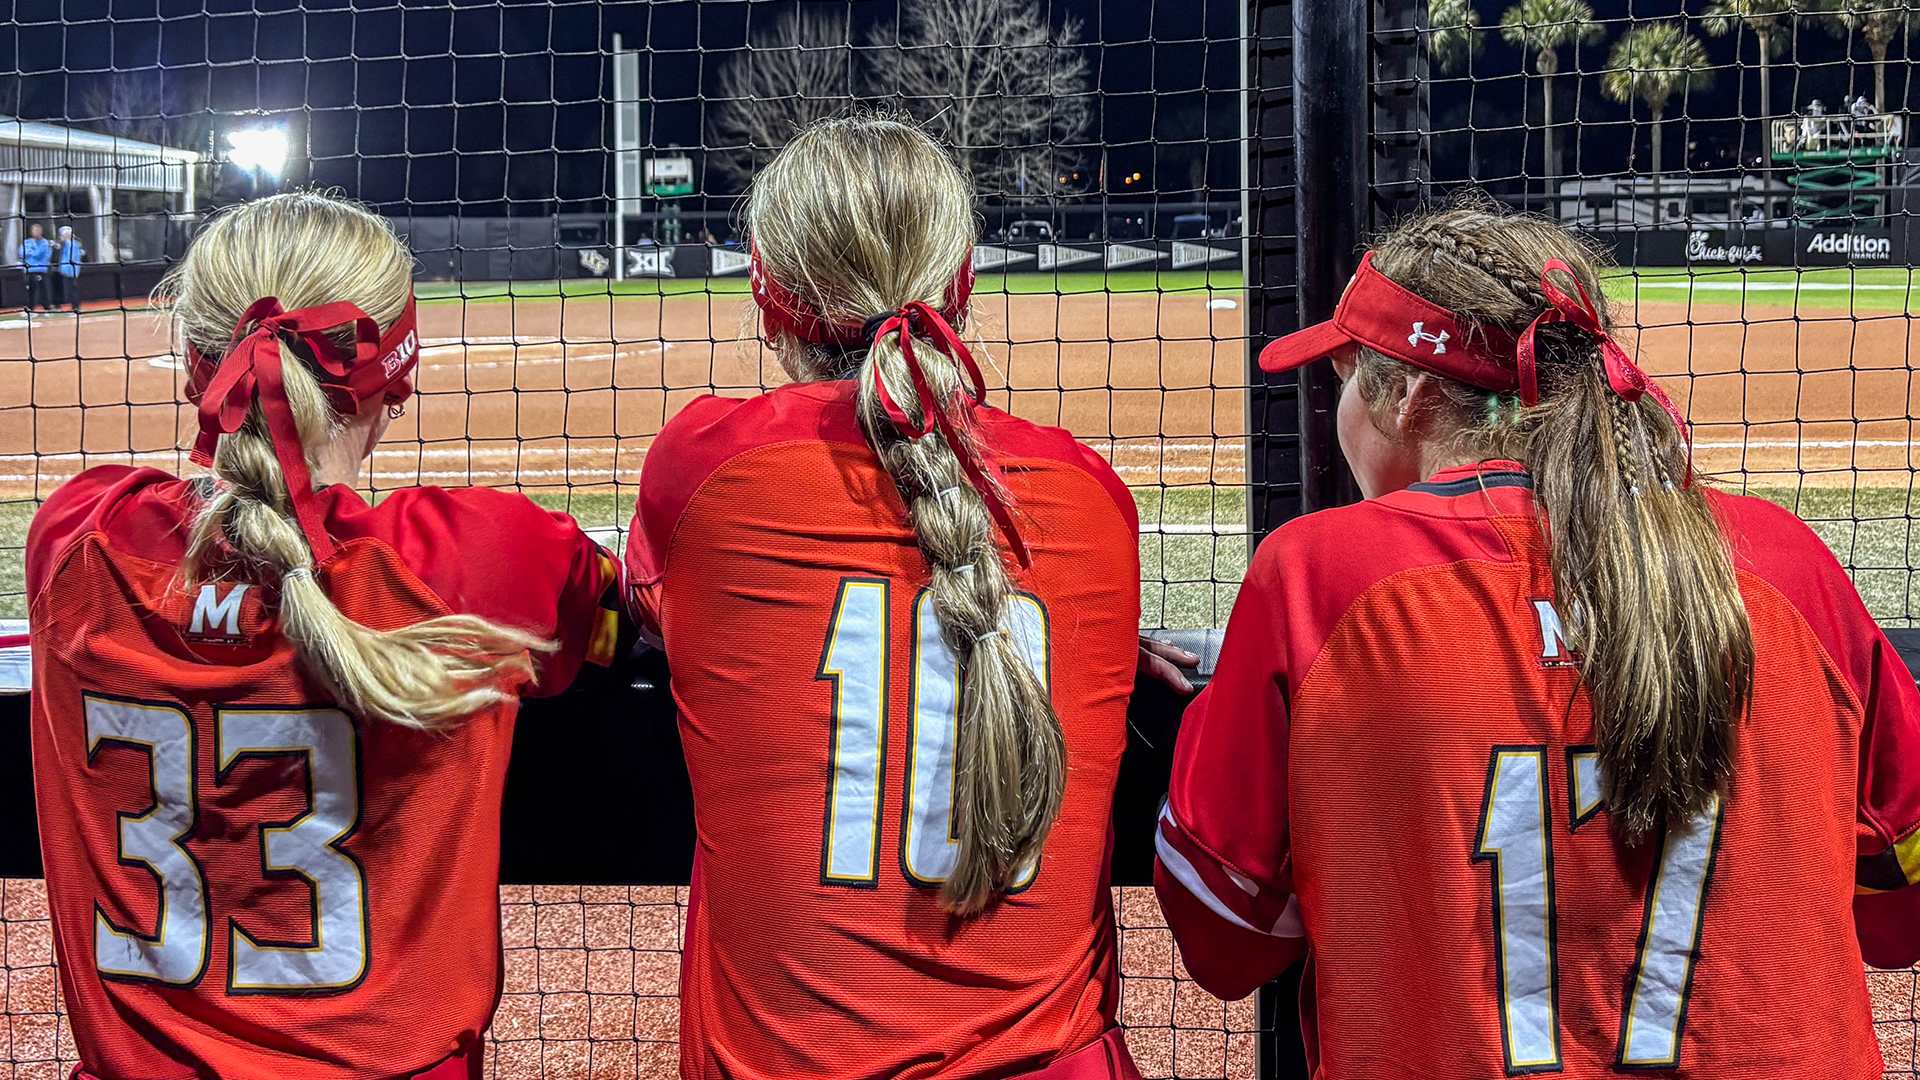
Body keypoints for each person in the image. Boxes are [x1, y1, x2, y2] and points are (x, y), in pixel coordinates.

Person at [1154, 202, 1920, 1077]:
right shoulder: (1785, 567)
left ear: (1406, 394)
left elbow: (1224, 943)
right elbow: (1902, 912)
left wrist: (1225, 708)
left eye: (1346, 378)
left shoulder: (1320, 578)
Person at [26, 191, 627, 1079]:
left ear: (198, 374)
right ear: (398, 377)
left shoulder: (77, 536)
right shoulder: (485, 559)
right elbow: (624, 613)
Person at [627, 114, 1146, 1080]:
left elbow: (651, 603)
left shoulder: (703, 469)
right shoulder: (1091, 497)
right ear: (963, 292)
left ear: (767, 302)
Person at [19, 222, 50, 313]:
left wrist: (30, 253)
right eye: (34, 230)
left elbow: (39, 255)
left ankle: (46, 308)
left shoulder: (44, 242)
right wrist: (32, 252)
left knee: (43, 289)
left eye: (37, 230)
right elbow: (21, 253)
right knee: (30, 290)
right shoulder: (27, 242)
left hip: (40, 269)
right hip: (29, 269)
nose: (36, 232)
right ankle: (30, 308)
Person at [56, 224, 83, 313]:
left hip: (69, 270)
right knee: (71, 290)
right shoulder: (74, 244)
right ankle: (75, 306)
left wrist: (66, 270)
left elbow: (71, 258)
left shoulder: (71, 244)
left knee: (71, 290)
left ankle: (76, 307)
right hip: (70, 270)